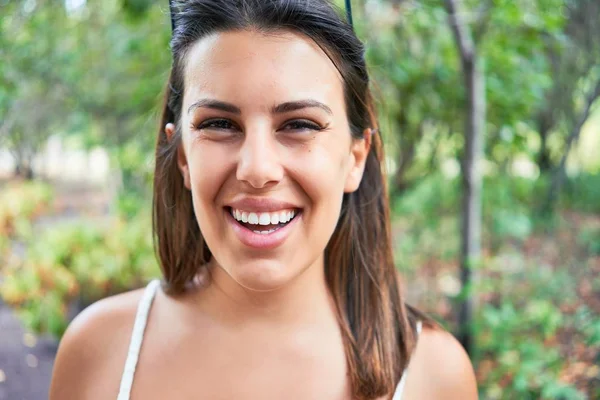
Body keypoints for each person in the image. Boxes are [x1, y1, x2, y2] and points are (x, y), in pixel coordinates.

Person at [49, 0, 478, 399]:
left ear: (355, 158)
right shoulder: (99, 350)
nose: (256, 169)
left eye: (299, 125)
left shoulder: (432, 374)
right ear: (182, 155)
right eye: (219, 123)